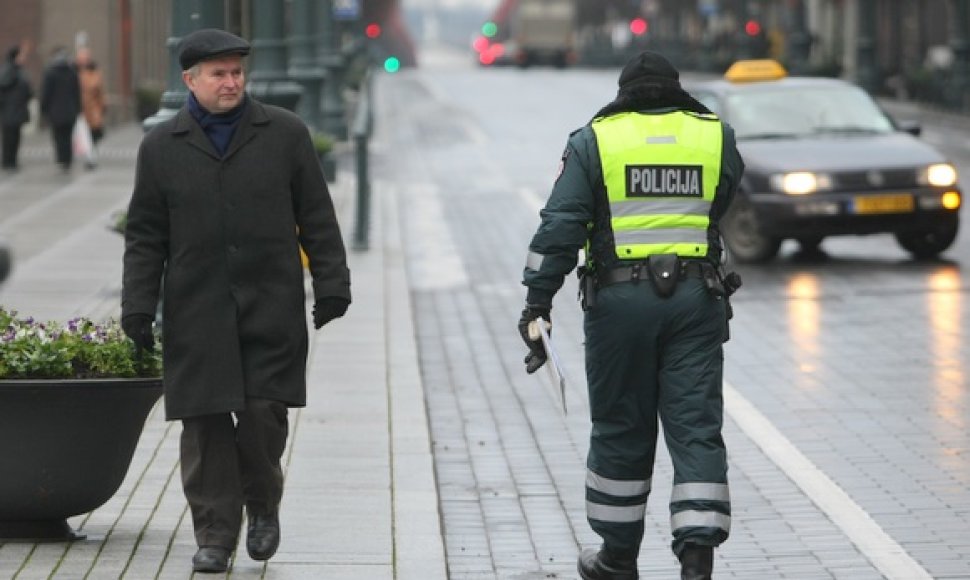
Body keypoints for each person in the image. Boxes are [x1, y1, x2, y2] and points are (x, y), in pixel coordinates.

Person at [121, 28, 351, 574]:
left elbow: (317, 216)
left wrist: (332, 283)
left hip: (270, 302)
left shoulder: (285, 134)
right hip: (196, 309)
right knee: (204, 427)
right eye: (219, 73)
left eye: (237, 72)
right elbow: (146, 235)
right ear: (190, 80)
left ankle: (262, 504)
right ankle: (216, 536)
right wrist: (137, 306)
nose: (231, 82)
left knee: (262, 414)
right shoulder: (161, 148)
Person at [517, 51, 744, 580]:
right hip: (695, 298)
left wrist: (537, 302)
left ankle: (617, 557)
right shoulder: (715, 134)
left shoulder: (594, 139)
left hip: (617, 305)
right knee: (695, 427)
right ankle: (696, 558)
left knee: (621, 426)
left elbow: (561, 225)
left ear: (624, 92)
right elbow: (721, 199)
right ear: (676, 88)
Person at [39, 46, 80, 172]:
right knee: (68, 136)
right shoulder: (72, 73)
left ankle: (61, 158)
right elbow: (76, 93)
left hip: (55, 111)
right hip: (70, 111)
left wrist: (43, 109)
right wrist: (78, 109)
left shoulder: (50, 73)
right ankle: (67, 159)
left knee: (58, 136)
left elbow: (46, 93)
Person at [0, 44, 33, 172]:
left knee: (16, 137)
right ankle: (8, 161)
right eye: (21, 55)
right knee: (9, 137)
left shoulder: (19, 70)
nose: (24, 58)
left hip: (17, 109)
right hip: (10, 110)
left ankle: (12, 160)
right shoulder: (9, 70)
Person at [75, 46, 106, 169]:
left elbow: (100, 92)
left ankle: (91, 157)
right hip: (79, 109)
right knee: (82, 135)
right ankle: (88, 157)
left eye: (85, 58)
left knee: (94, 134)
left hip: (93, 110)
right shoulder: (74, 73)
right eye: (81, 58)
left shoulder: (95, 73)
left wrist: (102, 106)